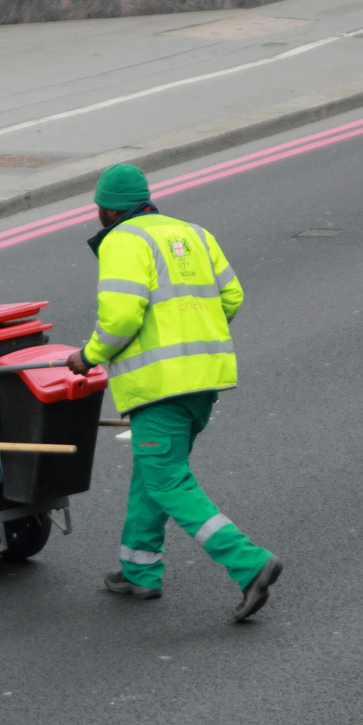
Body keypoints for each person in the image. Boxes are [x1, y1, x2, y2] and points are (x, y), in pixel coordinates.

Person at [67, 164, 282, 622]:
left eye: (98, 209)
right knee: (153, 475)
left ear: (107, 208)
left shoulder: (124, 240)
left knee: (167, 480)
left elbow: (121, 318)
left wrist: (87, 356)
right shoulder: (195, 233)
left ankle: (249, 563)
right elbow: (232, 297)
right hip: (203, 382)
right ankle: (139, 571)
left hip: (159, 386)